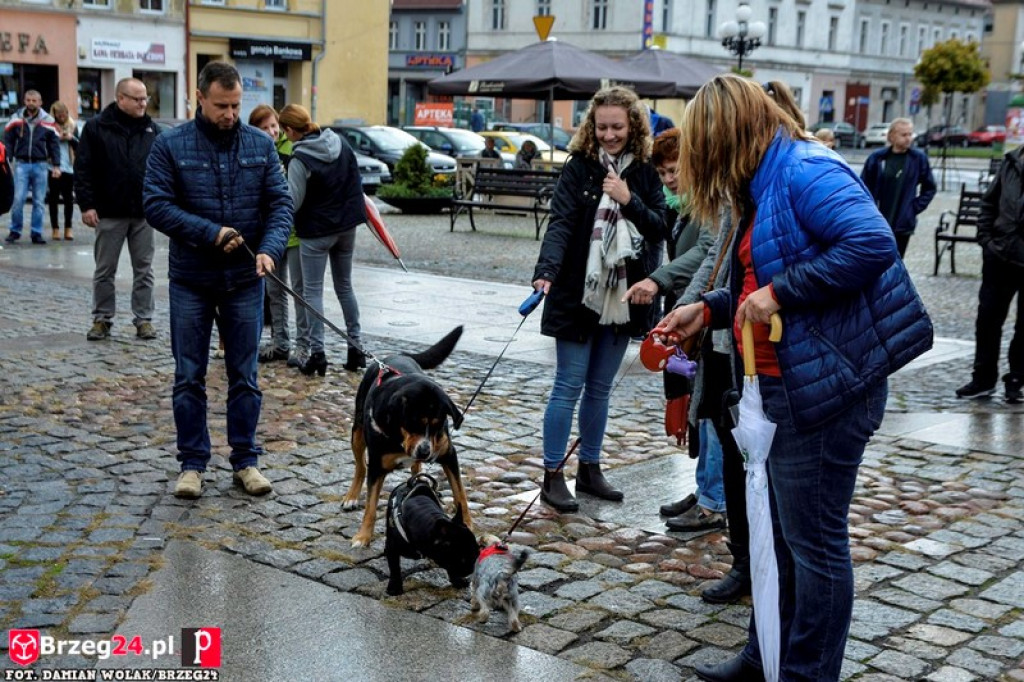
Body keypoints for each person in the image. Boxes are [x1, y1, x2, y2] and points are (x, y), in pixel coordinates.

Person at [656, 75, 932, 682]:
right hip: (786, 382)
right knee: (775, 537)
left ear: (729, 135)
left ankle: (807, 673)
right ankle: (766, 657)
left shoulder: (807, 168)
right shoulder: (765, 179)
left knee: (813, 545)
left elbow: (872, 243)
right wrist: (712, 307)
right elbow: (767, 274)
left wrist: (778, 293)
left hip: (830, 389)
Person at [143, 61, 292, 499]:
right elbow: (155, 204)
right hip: (191, 278)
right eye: (222, 106)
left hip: (246, 277)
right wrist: (211, 233)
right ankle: (192, 464)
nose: (230, 114)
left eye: (236, 105)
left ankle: (246, 460)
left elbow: (280, 204)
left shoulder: (260, 146)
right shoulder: (171, 145)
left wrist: (270, 249)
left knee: (245, 374)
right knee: (189, 375)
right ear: (200, 99)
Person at [532, 85, 667, 512]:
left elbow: (660, 226)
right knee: (568, 385)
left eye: (618, 127)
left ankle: (589, 469)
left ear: (633, 126)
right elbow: (561, 223)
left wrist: (628, 201)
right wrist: (545, 271)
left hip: (624, 293)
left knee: (600, 389)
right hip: (578, 291)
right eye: (602, 126)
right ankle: (553, 473)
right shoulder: (579, 167)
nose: (610, 134)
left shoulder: (644, 171)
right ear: (592, 126)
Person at [622, 127, 719, 532]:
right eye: (663, 173)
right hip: (686, 314)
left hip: (706, 314)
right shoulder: (684, 206)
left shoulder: (712, 202)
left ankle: (714, 498)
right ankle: (706, 487)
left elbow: (705, 252)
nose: (669, 180)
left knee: (709, 406)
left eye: (675, 170)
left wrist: (658, 278)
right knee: (691, 400)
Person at [279, 103, 367, 376]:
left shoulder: (300, 158)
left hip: (316, 232)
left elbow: (292, 201)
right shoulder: (340, 142)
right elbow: (356, 181)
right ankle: (356, 347)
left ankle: (317, 354)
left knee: (312, 292)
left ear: (290, 130)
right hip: (347, 227)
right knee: (344, 286)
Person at [76, 78, 162, 342]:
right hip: (108, 211)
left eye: (145, 98)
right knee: (104, 270)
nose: (143, 103)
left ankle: (144, 319)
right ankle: (102, 319)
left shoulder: (152, 130)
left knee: (144, 270)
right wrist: (87, 204)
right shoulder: (96, 128)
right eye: (137, 99)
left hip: (142, 212)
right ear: (121, 98)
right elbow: (83, 169)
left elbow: (162, 170)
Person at [956, 150, 1024, 403]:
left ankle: (1017, 378)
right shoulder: (1011, 162)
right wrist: (986, 240)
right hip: (1000, 255)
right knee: (987, 320)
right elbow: (989, 202)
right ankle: (983, 378)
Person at [248, 104, 308, 369]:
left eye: (273, 126)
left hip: (294, 233)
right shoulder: (255, 151)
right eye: (264, 128)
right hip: (268, 236)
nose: (271, 132)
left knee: (299, 291)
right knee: (274, 291)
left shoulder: (291, 150)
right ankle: (280, 342)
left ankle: (304, 344)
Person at [860, 118, 937, 258]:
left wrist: (913, 208)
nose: (908, 139)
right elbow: (862, 187)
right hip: (877, 221)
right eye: (904, 135)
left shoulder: (918, 159)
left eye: (910, 134)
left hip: (902, 223)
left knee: (896, 262)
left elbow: (930, 187)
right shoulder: (877, 158)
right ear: (892, 136)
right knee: (874, 261)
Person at [3, 90, 60, 244]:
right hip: (21, 164)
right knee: (18, 199)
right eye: (28, 100)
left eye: (34, 100)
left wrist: (56, 165)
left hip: (41, 164)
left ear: (40, 102)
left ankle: (36, 233)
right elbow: (7, 138)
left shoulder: (48, 120)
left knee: (39, 202)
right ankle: (15, 231)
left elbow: (54, 144)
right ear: (24, 101)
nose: (31, 103)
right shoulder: (16, 119)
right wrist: (7, 158)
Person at [48, 102, 77, 242]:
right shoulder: (49, 126)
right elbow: (44, 144)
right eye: (59, 115)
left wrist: (70, 138)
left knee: (68, 200)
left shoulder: (72, 125)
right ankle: (55, 229)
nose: (62, 117)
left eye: (64, 114)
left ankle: (68, 228)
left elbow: (80, 146)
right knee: (53, 199)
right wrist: (55, 138)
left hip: (68, 166)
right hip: (52, 166)